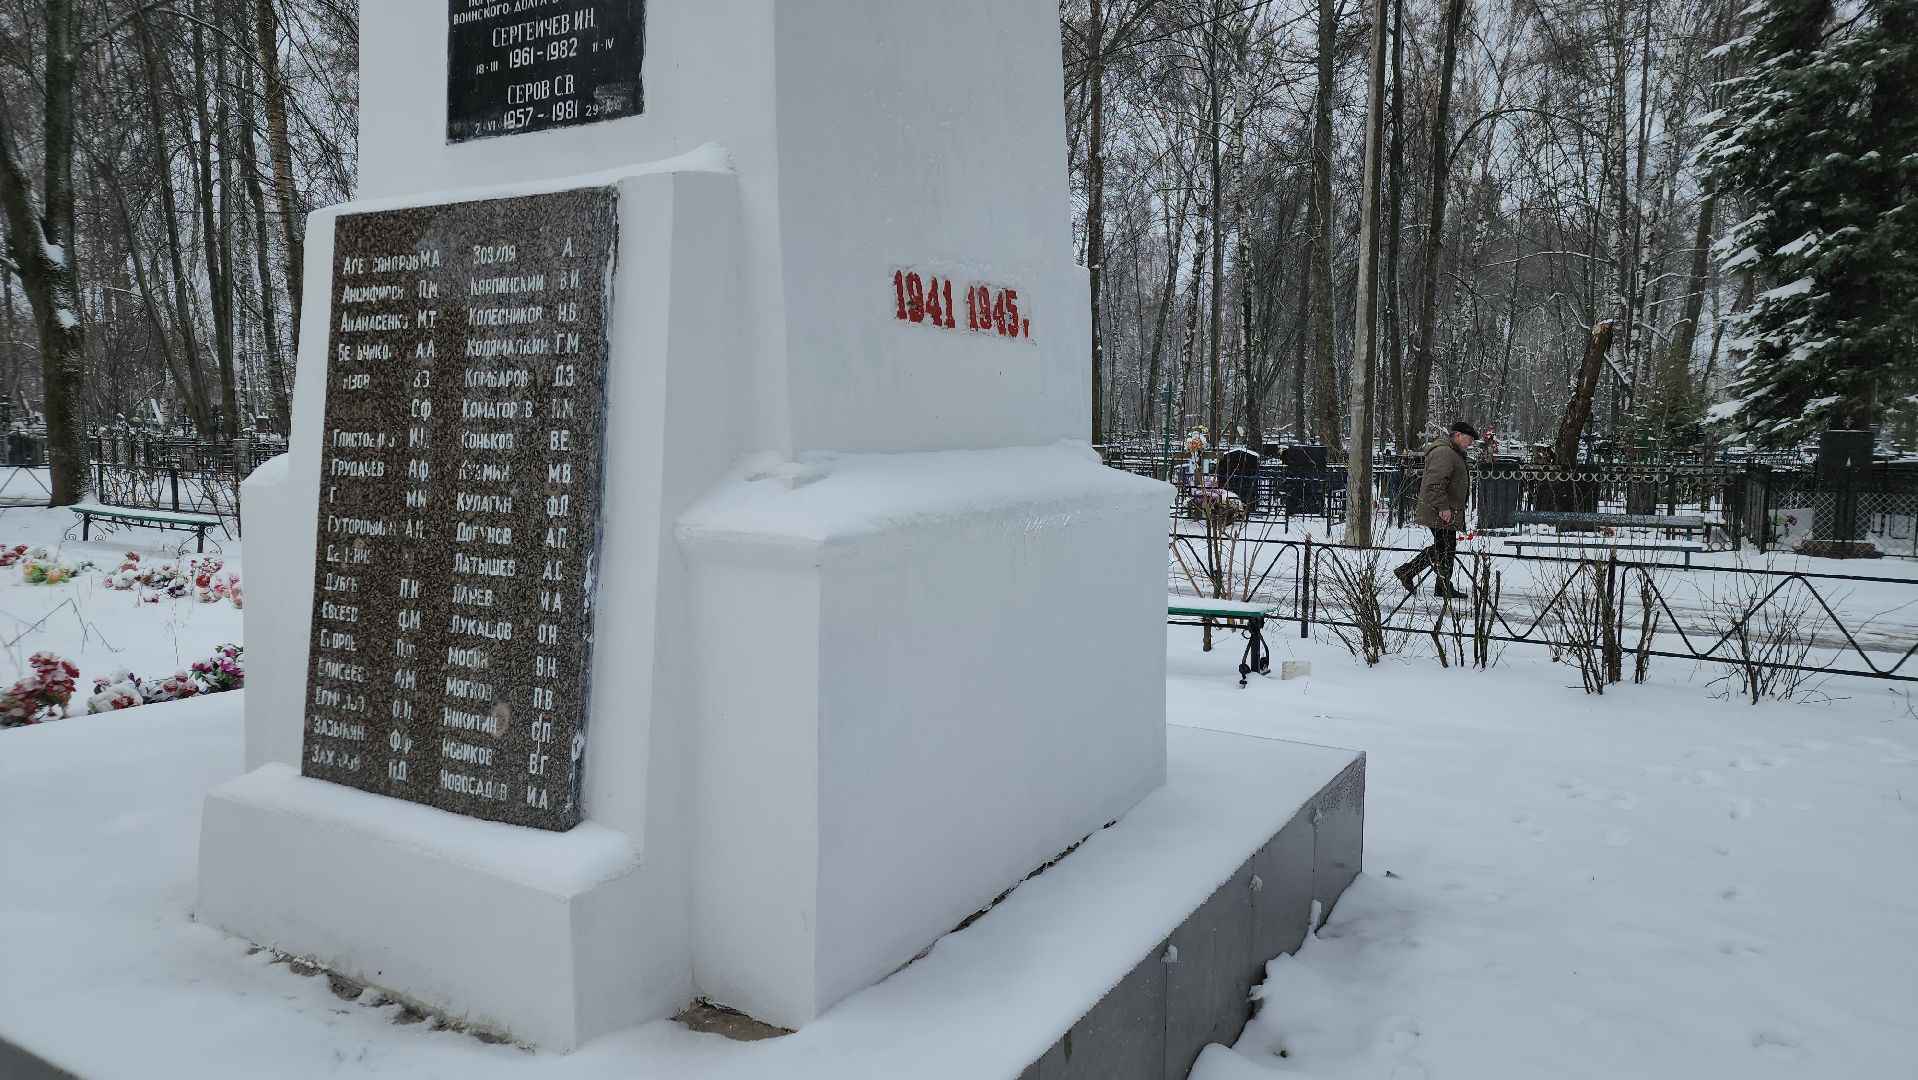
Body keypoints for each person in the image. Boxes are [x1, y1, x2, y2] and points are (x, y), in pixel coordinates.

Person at [1396, 422, 1478, 599]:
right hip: (1439, 510)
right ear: (1457, 435)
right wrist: (1443, 507)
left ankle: (1428, 579)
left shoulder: (1453, 453)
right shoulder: (1444, 453)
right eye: (1468, 439)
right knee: (1445, 547)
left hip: (1445, 509)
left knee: (1444, 547)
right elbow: (1435, 483)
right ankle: (1420, 576)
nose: (1470, 443)